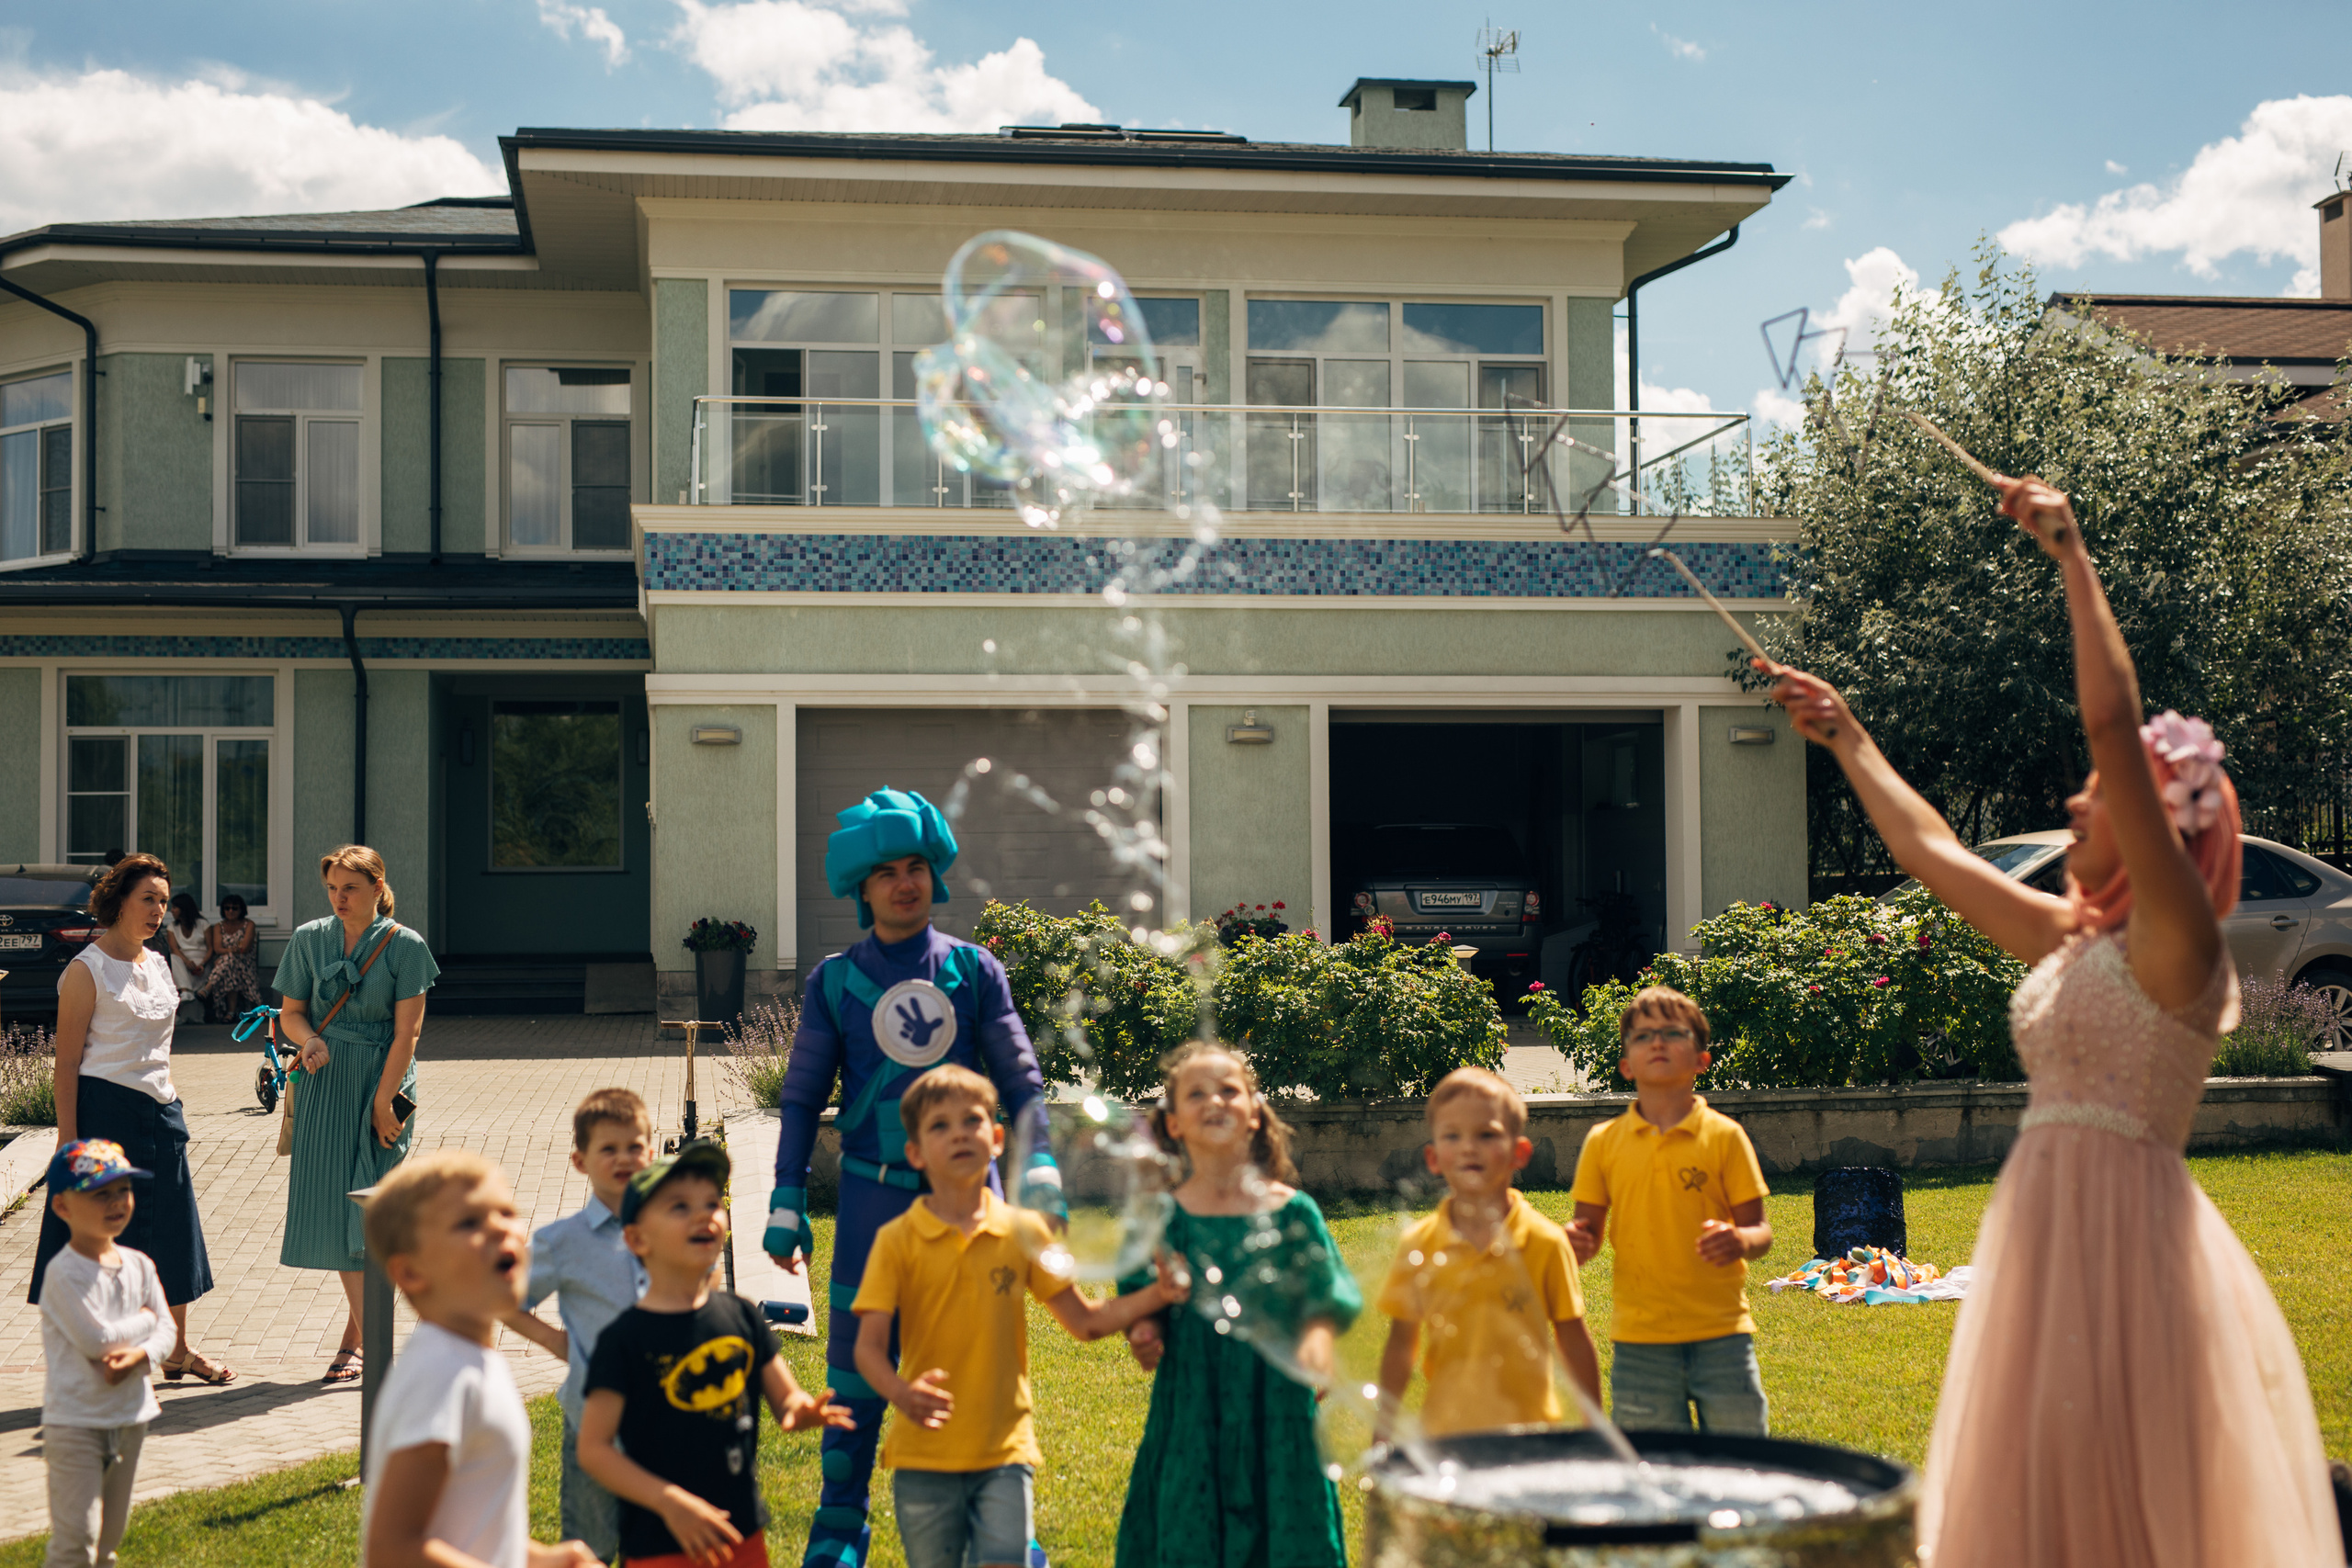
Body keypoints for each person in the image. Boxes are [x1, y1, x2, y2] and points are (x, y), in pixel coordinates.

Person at [1766, 475, 2338, 1566]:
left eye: (2097, 795)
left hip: (2129, 1245)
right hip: (2041, 1234)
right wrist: (1845, 736)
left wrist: (2071, 557)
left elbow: (2112, 723)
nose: (2076, 803)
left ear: (2153, 827)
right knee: (2043, 1501)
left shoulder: (2179, 944)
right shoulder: (2072, 941)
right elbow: (1927, 854)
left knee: (2127, 1495)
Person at [761, 787, 1062, 1568]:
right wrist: (786, 1195)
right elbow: (802, 1095)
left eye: (917, 866)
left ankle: (1006, 1517)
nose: (905, 882)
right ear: (860, 887)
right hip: (868, 1196)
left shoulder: (974, 968)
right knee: (857, 1363)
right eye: (887, 871)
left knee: (982, 1351)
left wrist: (1043, 1166)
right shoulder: (833, 980)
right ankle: (839, 1520)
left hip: (970, 1201)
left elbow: (1021, 1082)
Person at [854, 1066, 1181, 1568]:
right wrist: (901, 1393)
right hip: (923, 1454)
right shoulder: (896, 1240)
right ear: (915, 1153)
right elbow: (868, 1348)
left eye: (973, 1120)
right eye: (939, 1125)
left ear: (998, 1138)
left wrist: (1159, 1293)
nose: (960, 1132)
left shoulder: (1023, 1231)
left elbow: (1086, 1322)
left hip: (1005, 1449)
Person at [1114, 1043, 1361, 1568]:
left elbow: (1327, 1291)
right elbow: (1140, 1290)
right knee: (1190, 1516)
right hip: (1192, 1399)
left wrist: (1316, 1345)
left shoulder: (1293, 1212)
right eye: (1196, 1093)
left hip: (1279, 1396)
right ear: (1174, 1123)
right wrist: (1144, 1328)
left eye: (1229, 1090)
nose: (1214, 1101)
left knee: (1288, 1525)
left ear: (1254, 1112)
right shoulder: (1162, 1215)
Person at [582, 1143, 851, 1568]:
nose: (703, 1214)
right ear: (636, 1238)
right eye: (679, 1206)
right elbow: (594, 1449)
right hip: (661, 1543)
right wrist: (669, 1502)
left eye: (712, 1202)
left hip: (739, 1533)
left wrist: (807, 1411)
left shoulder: (741, 1315)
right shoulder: (624, 1339)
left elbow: (787, 1404)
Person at [31, 852, 230, 1387]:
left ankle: (177, 1351)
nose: (158, 911)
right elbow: (67, 1063)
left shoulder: (161, 963)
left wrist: (170, 1102)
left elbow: (159, 1048)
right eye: (149, 900)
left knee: (173, 1233)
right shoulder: (85, 970)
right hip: (104, 1115)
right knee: (104, 1242)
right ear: (119, 901)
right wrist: (67, 1141)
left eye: (164, 902)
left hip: (161, 1112)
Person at [358, 1148, 601, 1568]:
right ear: (412, 1272)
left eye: (506, 1212)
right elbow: (392, 1549)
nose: (499, 1230)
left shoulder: (471, 1360)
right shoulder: (441, 1372)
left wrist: (547, 1560)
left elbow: (468, 1529)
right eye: (469, 1222)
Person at [1566, 986, 1772, 1435]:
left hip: (1723, 1334)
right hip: (1641, 1341)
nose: (1657, 1043)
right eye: (1642, 1037)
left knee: (1742, 1461)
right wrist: (1573, 1241)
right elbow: (1587, 1236)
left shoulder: (1725, 1136)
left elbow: (1760, 1232)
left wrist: (1739, 1239)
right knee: (1654, 1471)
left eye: (1673, 1033)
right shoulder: (1604, 1142)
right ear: (1626, 1066)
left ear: (1702, 1059)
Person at [275, 844, 439, 1385]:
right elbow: (291, 1016)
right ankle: (367, 1340)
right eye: (331, 888)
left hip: (384, 1082)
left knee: (370, 1211)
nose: (339, 898)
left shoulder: (405, 944)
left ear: (377, 888)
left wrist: (383, 1100)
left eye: (350, 888)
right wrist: (311, 1039)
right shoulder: (307, 939)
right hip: (325, 1083)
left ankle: (373, 1346)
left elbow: (407, 1034)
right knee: (336, 1207)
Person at [1377, 1066, 1600, 1437]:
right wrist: (1382, 1433)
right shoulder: (1418, 1245)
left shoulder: (1546, 1242)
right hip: (1449, 1435)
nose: (1468, 1147)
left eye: (1486, 1134)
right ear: (1433, 1158)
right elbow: (1401, 1346)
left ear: (1520, 1152)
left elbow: (1573, 1339)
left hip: (1531, 1434)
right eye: (1452, 1135)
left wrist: (1596, 1428)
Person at [503, 1087, 655, 1564]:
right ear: (580, 1161)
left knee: (661, 1542)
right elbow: (500, 1299)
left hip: (668, 1415)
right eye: (608, 1149)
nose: (623, 1158)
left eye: (634, 1146)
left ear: (651, 1152)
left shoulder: (672, 1226)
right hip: (593, 1419)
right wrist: (553, 1339)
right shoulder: (561, 1242)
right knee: (591, 1547)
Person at [39, 1138, 179, 1568]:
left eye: (124, 1190)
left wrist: (143, 1355)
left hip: (131, 1417)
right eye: (102, 1194)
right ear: (62, 1207)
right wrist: (145, 1322)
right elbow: (96, 1340)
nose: (118, 1202)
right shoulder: (62, 1273)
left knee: (107, 1544)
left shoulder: (138, 1264)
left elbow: (169, 1329)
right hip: (76, 1424)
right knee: (75, 1542)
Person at [199, 895, 263, 1026]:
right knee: (231, 964)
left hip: (246, 964)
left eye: (234, 908)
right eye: (227, 908)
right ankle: (231, 1012)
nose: (231, 911)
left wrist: (228, 951)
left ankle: (208, 988)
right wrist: (234, 949)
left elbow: (245, 948)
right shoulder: (219, 926)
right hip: (228, 966)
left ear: (241, 910)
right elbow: (217, 948)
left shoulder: (249, 924)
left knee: (230, 960)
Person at [159, 894, 211, 1021]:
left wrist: (202, 965)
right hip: (183, 963)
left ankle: (180, 1011)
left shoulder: (203, 924)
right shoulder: (172, 927)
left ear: (184, 908)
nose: (171, 910)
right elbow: (174, 949)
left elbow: (211, 949)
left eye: (175, 907)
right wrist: (187, 962)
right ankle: (185, 991)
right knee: (173, 958)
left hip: (202, 965)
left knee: (179, 973)